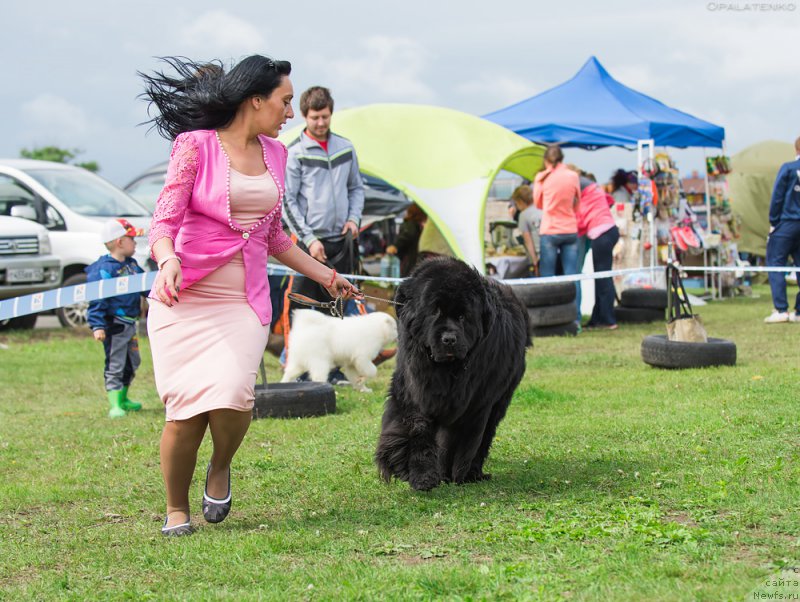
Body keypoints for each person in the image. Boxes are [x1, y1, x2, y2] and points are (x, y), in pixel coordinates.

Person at [140, 55, 359, 537]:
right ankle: (177, 509)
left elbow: (274, 237)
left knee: (235, 395)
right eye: (284, 102)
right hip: (185, 295)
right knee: (186, 411)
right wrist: (168, 259)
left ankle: (220, 468)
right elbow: (164, 220)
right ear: (254, 101)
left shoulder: (277, 155)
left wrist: (325, 275)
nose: (290, 113)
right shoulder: (195, 147)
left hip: (243, 301)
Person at [86, 218, 146, 418]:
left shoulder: (132, 265)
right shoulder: (103, 269)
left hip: (131, 323)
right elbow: (97, 299)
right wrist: (97, 325)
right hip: (114, 325)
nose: (136, 243)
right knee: (115, 363)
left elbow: (145, 286)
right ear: (120, 242)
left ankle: (123, 398)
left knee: (133, 361)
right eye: (132, 239)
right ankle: (114, 404)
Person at [533, 145, 581, 320]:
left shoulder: (542, 178)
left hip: (550, 230)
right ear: (562, 159)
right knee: (572, 276)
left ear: (546, 161)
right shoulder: (573, 175)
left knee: (548, 277)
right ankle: (575, 319)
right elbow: (577, 202)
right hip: (570, 228)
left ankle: (548, 318)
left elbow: (538, 204)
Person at [571, 169, 620, 329]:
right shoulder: (596, 192)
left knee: (603, 278)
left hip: (601, 234)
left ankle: (607, 319)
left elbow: (581, 221)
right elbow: (610, 200)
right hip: (609, 231)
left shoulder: (583, 197)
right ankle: (598, 318)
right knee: (602, 277)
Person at [764, 136, 800, 323]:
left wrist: (773, 221)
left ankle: (781, 309)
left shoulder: (788, 168)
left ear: (796, 150)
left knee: (775, 263)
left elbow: (777, 196)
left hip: (787, 222)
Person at [512, 184, 542, 275]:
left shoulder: (523, 215)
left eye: (516, 203)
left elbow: (528, 240)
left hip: (538, 254)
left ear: (520, 201)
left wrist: (534, 260)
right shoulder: (541, 208)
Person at [394, 202, 427, 277]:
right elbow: (405, 237)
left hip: (409, 264)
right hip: (410, 264)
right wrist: (396, 246)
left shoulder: (414, 225)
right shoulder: (411, 225)